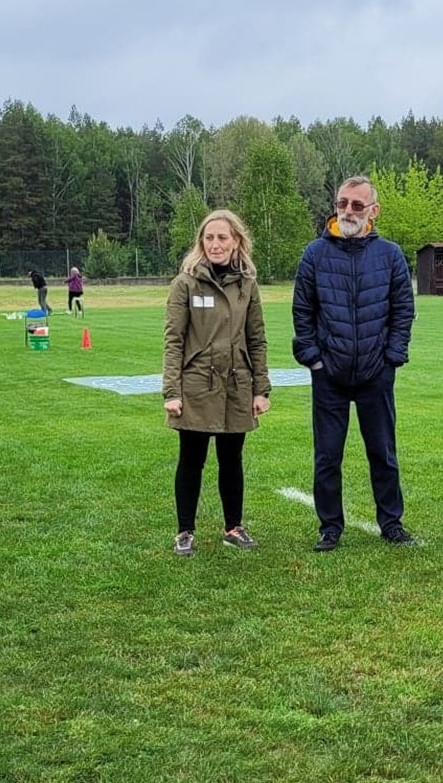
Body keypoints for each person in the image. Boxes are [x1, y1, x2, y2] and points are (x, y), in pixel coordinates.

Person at [292, 174, 419, 550]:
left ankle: (391, 522)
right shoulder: (315, 253)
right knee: (327, 456)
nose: (348, 211)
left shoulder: (391, 255)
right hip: (329, 373)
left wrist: (392, 358)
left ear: (373, 211)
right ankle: (329, 527)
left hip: (375, 373)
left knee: (383, 453)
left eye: (357, 205)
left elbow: (402, 310)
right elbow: (303, 310)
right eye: (342, 203)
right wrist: (313, 357)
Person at [162, 210, 271, 556]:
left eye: (223, 237)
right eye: (209, 238)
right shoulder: (186, 283)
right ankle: (185, 532)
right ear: (201, 243)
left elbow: (257, 339)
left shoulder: (247, 285)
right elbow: (173, 340)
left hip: (236, 386)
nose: (215, 244)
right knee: (191, 460)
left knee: (231, 460)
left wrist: (261, 388)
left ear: (237, 241)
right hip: (196, 386)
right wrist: (172, 391)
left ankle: (233, 527)